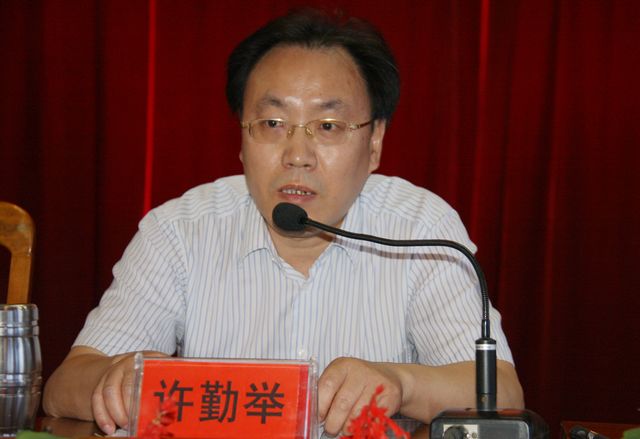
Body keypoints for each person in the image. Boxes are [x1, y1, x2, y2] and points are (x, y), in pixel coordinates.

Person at [43, 8, 524, 438]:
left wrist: (401, 382)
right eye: (272, 124)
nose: (297, 155)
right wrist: (116, 380)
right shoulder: (180, 230)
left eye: (328, 127)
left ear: (374, 141)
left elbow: (501, 394)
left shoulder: (420, 228)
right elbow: (64, 387)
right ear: (242, 136)